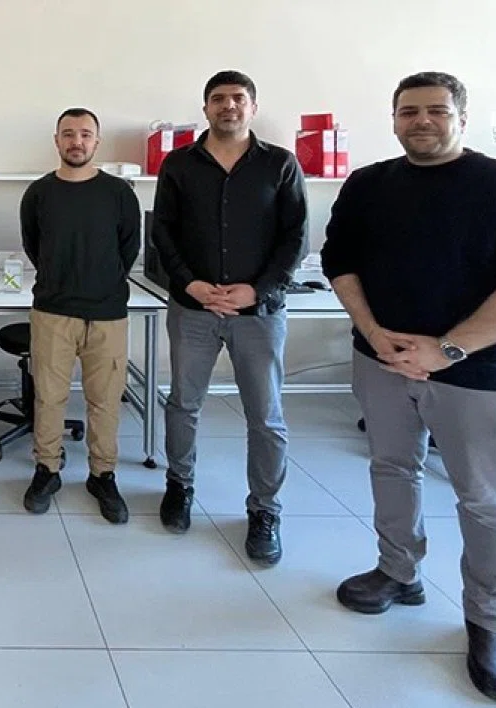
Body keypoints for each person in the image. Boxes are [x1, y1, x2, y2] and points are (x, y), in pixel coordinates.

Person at [322, 71, 496, 704]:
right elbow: (340, 261)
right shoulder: (368, 185)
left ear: (461, 118)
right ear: (393, 119)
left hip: (476, 373)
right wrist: (374, 333)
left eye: (436, 111)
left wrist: (446, 350)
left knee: (485, 500)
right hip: (382, 359)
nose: (421, 121)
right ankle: (397, 570)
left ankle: (489, 623)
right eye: (409, 111)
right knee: (392, 467)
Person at [151, 70, 308, 565]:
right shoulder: (179, 164)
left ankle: (265, 511)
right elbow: (164, 234)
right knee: (183, 403)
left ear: (252, 107)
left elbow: (296, 236)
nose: (229, 106)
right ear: (206, 108)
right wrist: (190, 284)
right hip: (193, 308)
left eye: (238, 98)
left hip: (258, 312)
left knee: (265, 416)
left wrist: (257, 290)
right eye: (218, 99)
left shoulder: (279, 164)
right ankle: (179, 484)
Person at [19, 108, 141, 520]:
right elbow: (34, 245)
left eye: (85, 134)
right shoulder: (39, 193)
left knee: (105, 401)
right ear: (57, 140)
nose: (77, 142)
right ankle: (46, 469)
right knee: (49, 396)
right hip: (53, 311)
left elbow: (128, 248)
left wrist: (100, 282)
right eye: (68, 134)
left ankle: (102, 475)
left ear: (96, 141)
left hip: (107, 313)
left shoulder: (119, 193)